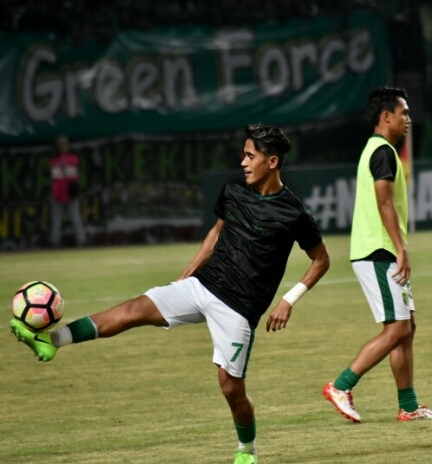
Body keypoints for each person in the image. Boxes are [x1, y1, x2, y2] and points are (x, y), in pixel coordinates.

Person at [11, 124, 330, 464]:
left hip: (239, 308)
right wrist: (190, 271)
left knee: (230, 387)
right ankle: (53, 339)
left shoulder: (293, 212)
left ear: (272, 161)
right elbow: (217, 232)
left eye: (250, 156)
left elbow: (321, 260)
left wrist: (287, 300)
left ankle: (247, 450)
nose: (243, 162)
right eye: (244, 154)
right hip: (204, 284)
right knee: (134, 309)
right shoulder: (232, 192)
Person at [322, 86, 432, 422]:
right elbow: (384, 202)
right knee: (396, 330)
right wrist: (401, 249)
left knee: (407, 327)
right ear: (385, 116)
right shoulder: (383, 152)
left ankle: (408, 407)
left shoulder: (379, 150)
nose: (409, 119)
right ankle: (341, 385)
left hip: (382, 251)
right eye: (404, 113)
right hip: (377, 251)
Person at [49, 135, 87, 248]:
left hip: (59, 192)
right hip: (69, 192)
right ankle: (81, 240)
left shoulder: (53, 160)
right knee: (73, 218)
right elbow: (73, 176)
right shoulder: (73, 158)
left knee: (58, 219)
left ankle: (55, 241)